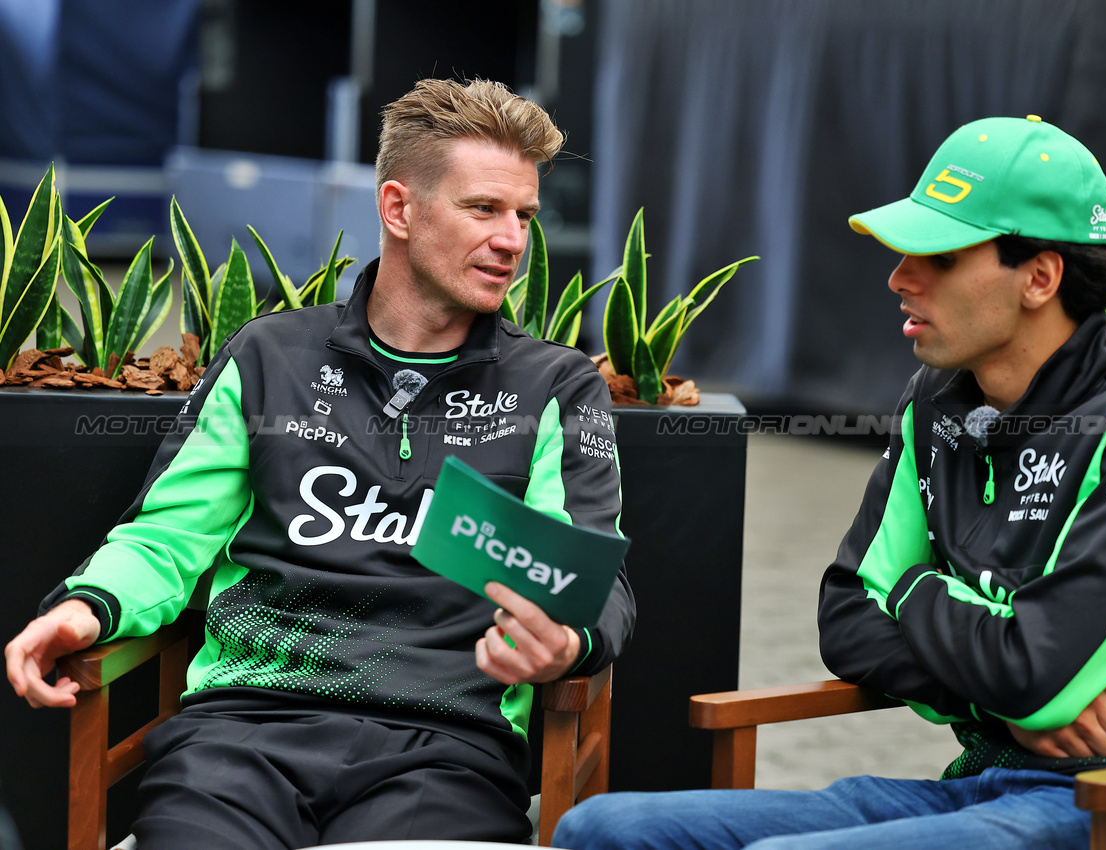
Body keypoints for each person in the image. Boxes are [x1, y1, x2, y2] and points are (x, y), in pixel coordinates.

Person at [553, 115, 1106, 850]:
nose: (899, 277)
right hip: (987, 779)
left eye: (940, 256)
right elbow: (844, 620)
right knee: (602, 829)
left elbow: (1029, 666)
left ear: (1040, 277)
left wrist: (909, 590)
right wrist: (1007, 698)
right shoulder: (936, 400)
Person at [5, 77, 635, 848]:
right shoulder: (271, 355)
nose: (512, 239)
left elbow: (588, 582)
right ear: (399, 208)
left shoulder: (555, 385)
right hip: (241, 731)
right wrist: (84, 606)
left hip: (446, 746)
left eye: (523, 215)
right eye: (483, 209)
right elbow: (167, 540)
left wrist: (563, 642)